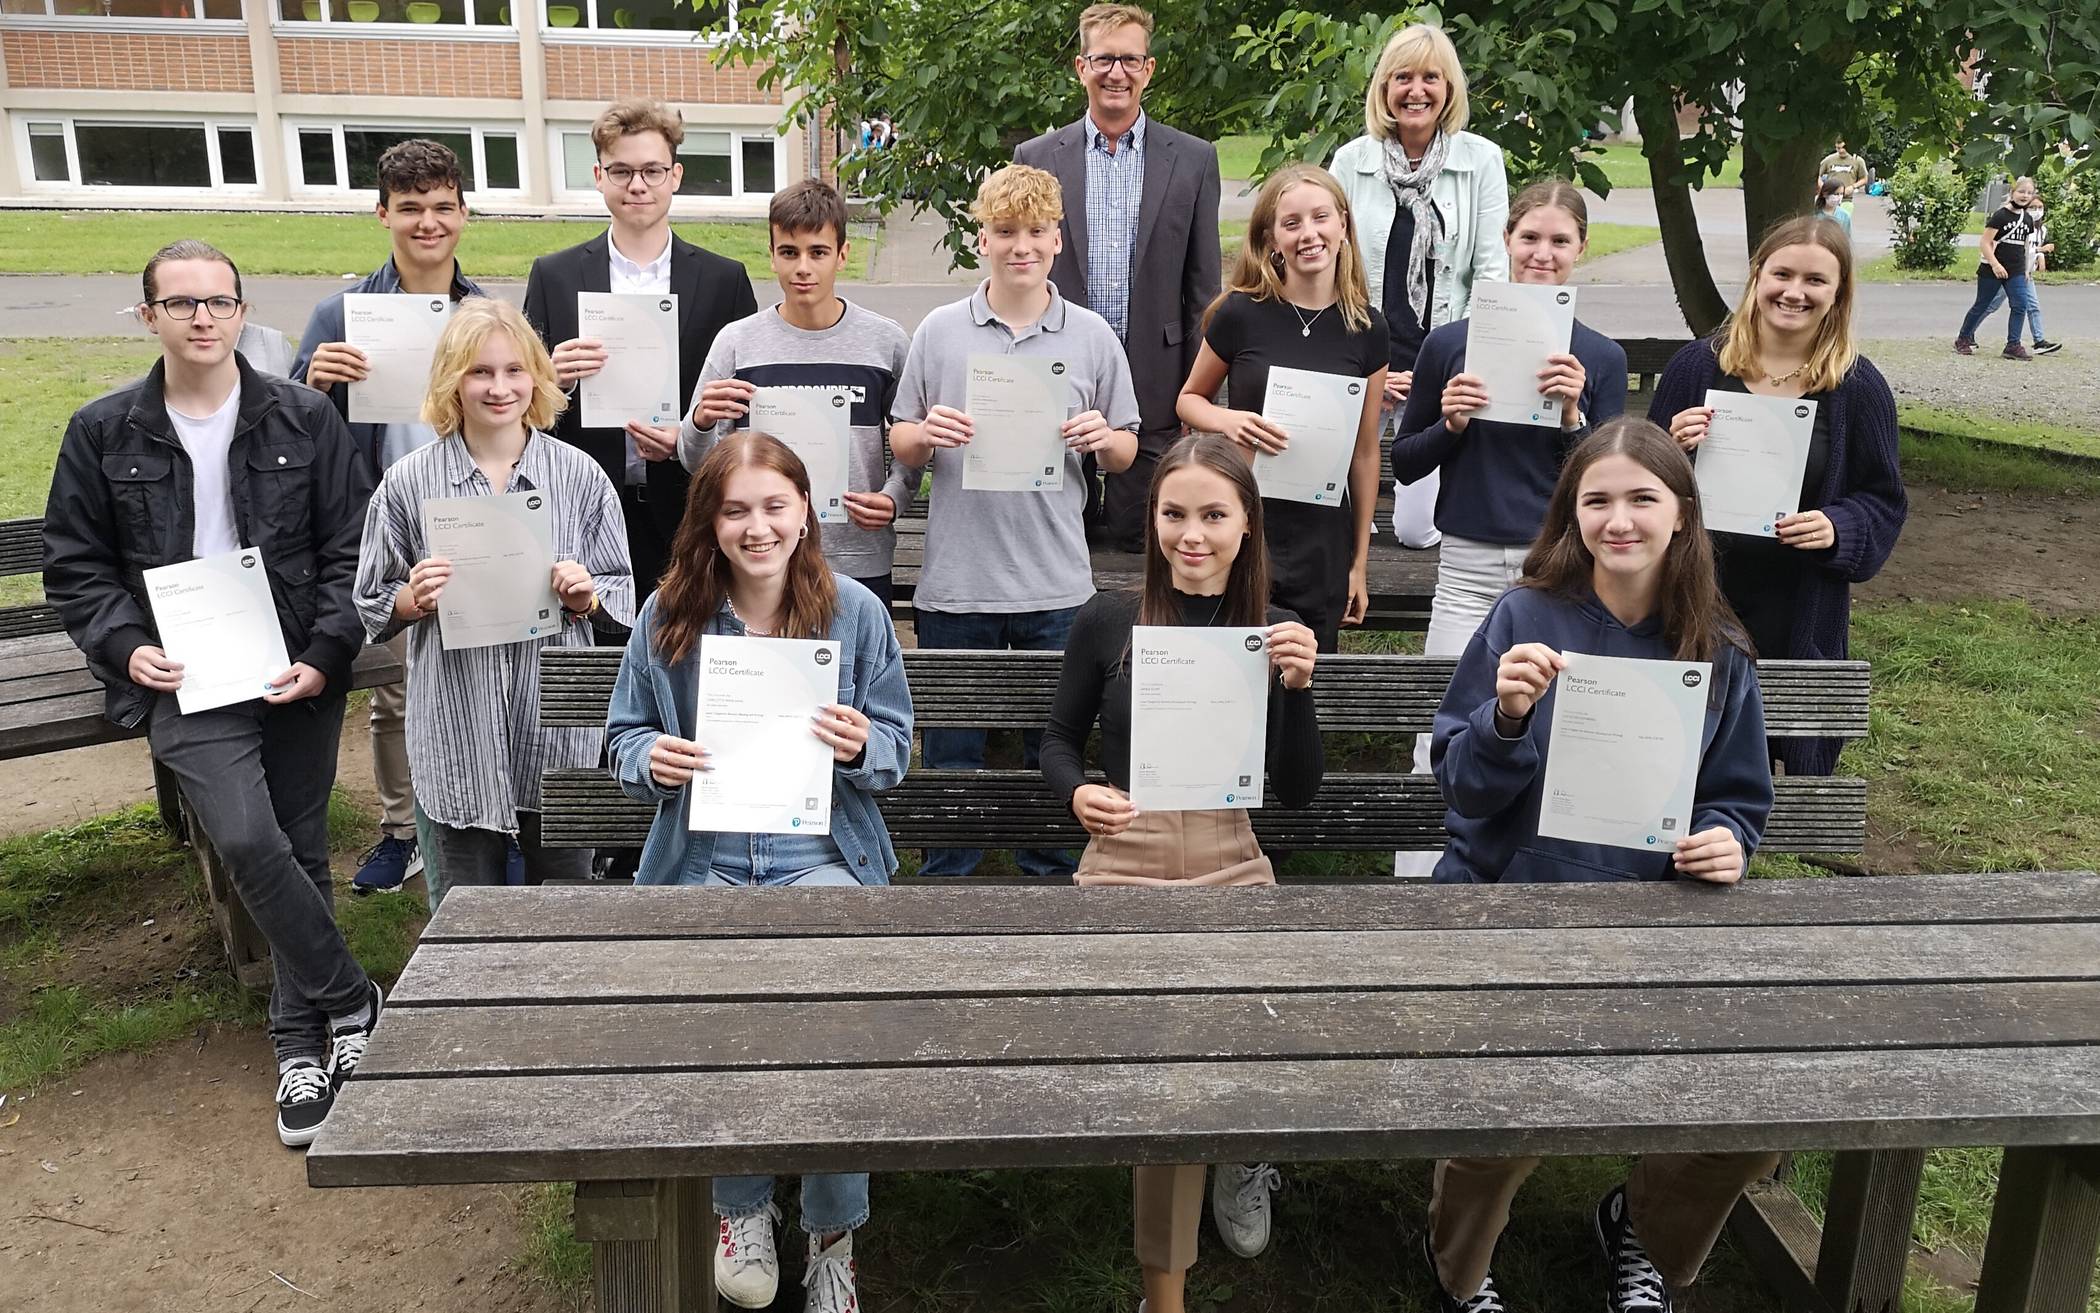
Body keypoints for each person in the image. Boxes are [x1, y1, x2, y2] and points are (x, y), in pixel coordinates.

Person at [1424, 417, 1776, 1313]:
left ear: (1684, 514)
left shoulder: (1719, 650)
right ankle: (1462, 1269)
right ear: (1571, 515)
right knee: (1504, 1117)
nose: (1620, 519)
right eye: (1598, 500)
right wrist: (1503, 719)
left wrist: (1729, 838)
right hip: (1510, 905)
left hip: (1654, 919)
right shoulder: (1521, 617)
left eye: (1642, 498)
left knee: (1750, 1119)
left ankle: (1644, 1226)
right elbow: (1461, 791)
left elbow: (1737, 796)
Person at [43, 241, 381, 1148]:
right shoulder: (103, 429)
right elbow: (75, 567)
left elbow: (351, 549)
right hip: (184, 672)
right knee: (242, 833)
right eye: (181, 303)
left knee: (299, 844)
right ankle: (351, 995)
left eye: (219, 301)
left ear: (242, 312)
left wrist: (324, 652)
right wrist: (127, 646)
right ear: (147, 315)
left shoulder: (305, 417)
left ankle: (304, 1046)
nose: (202, 317)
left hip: (290, 665)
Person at [604, 433, 912, 1313]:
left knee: (836, 1014)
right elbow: (623, 737)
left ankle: (830, 1229)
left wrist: (861, 747)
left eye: (774, 505)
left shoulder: (854, 612)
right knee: (719, 1011)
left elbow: (894, 749)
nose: (757, 526)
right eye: (735, 509)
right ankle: (739, 1205)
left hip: (823, 859)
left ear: (804, 510)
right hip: (705, 864)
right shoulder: (670, 613)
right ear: (709, 521)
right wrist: (650, 759)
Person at [1040, 434, 1322, 1310]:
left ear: (1246, 524)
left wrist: (1302, 688)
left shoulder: (1271, 630)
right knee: (1169, 1063)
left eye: (1212, 515)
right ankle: (1164, 1296)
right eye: (1173, 513)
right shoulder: (1107, 620)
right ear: (1152, 518)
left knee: (1253, 1027)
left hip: (1231, 855)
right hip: (1125, 854)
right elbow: (1054, 743)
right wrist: (1080, 792)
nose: (1190, 535)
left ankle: (1239, 1146)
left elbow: (1301, 791)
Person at [889, 162, 1140, 879]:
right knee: (951, 756)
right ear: (982, 239)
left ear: (1058, 239)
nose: (1020, 246)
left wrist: (1103, 439)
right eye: (1004, 232)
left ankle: (1051, 882)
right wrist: (927, 432)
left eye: (1035, 231)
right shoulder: (940, 332)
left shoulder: (1091, 336)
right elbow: (900, 438)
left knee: (1051, 752)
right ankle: (948, 881)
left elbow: (1127, 448)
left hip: (1056, 585)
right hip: (958, 583)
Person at [353, 298, 634, 900]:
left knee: (565, 899)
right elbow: (371, 597)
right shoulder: (410, 480)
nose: (499, 387)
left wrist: (586, 597)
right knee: (460, 905)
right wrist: (411, 599)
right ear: (453, 381)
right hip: (456, 725)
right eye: (480, 372)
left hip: (554, 724)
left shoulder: (580, 476)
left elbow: (620, 589)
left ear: (536, 374)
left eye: (513, 369)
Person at [1387, 180, 1627, 876]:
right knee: (1444, 728)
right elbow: (1406, 462)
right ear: (1507, 242)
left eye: (1559, 241)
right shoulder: (1450, 343)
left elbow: (1608, 485)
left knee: (1544, 727)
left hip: (1556, 572)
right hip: (1464, 566)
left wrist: (1575, 418)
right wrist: (1450, 423)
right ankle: (1418, 879)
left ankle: (1530, 869)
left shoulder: (1599, 358)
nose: (1543, 253)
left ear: (1581, 249)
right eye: (1530, 238)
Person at [294, 137, 488, 896]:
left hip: (473, 511)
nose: (427, 222)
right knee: (395, 689)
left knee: (479, 670)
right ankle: (404, 829)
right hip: (386, 515)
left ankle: (481, 815)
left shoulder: (482, 311)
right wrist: (315, 380)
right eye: (410, 208)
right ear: (383, 214)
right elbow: (292, 425)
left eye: (442, 206)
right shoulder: (341, 312)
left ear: (464, 214)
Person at [1652, 215, 1906, 776]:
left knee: (1755, 758)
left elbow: (1884, 500)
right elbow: (1636, 481)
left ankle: (1731, 850)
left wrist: (1839, 527)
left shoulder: (1858, 387)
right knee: (1667, 745)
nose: (1795, 292)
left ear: (1838, 294)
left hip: (1791, 606)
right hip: (1691, 592)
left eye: (1816, 281)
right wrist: (1670, 447)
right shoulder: (1697, 367)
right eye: (1782, 274)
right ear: (1757, 276)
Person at [524, 98, 760, 599]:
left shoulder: (723, 280)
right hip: (581, 504)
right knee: (594, 659)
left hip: (687, 503)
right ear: (598, 175)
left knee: (684, 647)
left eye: (652, 170)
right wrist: (549, 378)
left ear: (675, 175)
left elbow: (747, 405)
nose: (637, 185)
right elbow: (520, 403)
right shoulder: (554, 276)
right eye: (622, 171)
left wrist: (691, 437)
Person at [1014, 2, 1223, 551]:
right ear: (1081, 67)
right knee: (1062, 534)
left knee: (1143, 536)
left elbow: (1204, 289)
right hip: (1056, 382)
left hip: (1157, 382)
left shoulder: (1193, 160)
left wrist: (1199, 396)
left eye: (1130, 60)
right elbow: (1019, 276)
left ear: (1148, 69)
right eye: (1104, 59)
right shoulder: (1035, 158)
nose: (1116, 73)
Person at [1175, 163, 1388, 653]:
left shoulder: (1369, 329)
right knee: (1232, 672)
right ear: (1272, 239)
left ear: (1343, 227)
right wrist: (1229, 420)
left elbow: (1364, 452)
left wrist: (1359, 562)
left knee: (1304, 681)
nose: (1308, 234)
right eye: (1292, 224)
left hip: (1322, 541)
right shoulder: (1241, 312)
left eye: (1320, 218)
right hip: (1243, 525)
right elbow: (1189, 401)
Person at [680, 178, 916, 606]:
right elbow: (694, 461)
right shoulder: (737, 342)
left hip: (856, 556)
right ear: (771, 256)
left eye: (818, 252)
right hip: (760, 557)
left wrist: (894, 497)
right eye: (789, 252)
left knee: (853, 671)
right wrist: (700, 421)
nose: (802, 267)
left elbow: (911, 442)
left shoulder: (887, 342)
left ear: (843, 254)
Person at [1331, 21, 1509, 550]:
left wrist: (1450, 369)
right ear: (1384, 88)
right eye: (1402, 77)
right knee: (1341, 523)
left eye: (1431, 77)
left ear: (1448, 88)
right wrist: (1370, 370)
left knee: (1414, 532)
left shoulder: (1480, 160)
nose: (1416, 90)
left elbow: (1491, 272)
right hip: (1365, 361)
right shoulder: (1352, 161)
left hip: (1439, 362)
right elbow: (1334, 273)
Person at [1953, 175, 2040, 361]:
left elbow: (2026, 246)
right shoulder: (2000, 215)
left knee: (2020, 305)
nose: (2025, 196)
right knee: (1982, 304)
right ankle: (1963, 338)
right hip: (1992, 269)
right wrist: (1995, 264)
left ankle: (2013, 344)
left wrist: (2026, 269)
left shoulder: (2027, 219)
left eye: (2029, 193)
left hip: (2016, 269)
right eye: (2021, 191)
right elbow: (1985, 242)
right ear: (2012, 192)